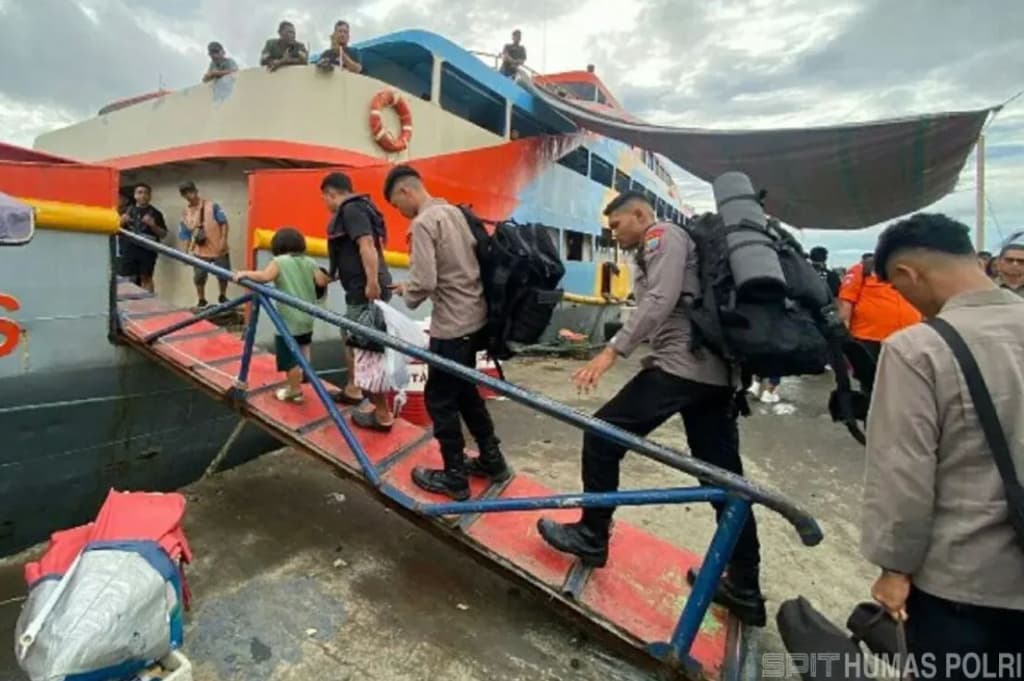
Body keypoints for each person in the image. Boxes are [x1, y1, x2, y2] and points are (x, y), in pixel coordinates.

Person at [533, 191, 764, 626]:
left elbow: (658, 301)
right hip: (712, 374)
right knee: (722, 478)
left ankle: (592, 534)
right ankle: (745, 586)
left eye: (618, 225)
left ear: (640, 215)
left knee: (603, 434)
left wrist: (611, 353)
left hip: (682, 367)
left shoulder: (662, 236)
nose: (614, 234)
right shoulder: (669, 243)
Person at [860, 213, 1024, 677]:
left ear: (907, 274)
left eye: (898, 288)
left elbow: (903, 473)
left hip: (963, 583)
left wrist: (894, 567)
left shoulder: (918, 349)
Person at [383, 164, 511, 500]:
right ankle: (493, 461)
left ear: (405, 191)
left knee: (439, 400)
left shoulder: (424, 222)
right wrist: (407, 286)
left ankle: (454, 477)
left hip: (452, 325)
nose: (400, 212)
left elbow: (425, 282)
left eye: (397, 205)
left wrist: (408, 296)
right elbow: (458, 268)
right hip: (476, 319)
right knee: (466, 392)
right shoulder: (455, 213)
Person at [320, 172, 394, 431]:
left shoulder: (351, 210)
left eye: (324, 199)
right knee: (349, 334)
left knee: (367, 348)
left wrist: (371, 282)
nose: (325, 204)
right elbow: (353, 252)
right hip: (360, 288)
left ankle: (383, 415)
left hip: (367, 290)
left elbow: (366, 245)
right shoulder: (358, 209)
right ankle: (353, 389)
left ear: (331, 193)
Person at [232, 228, 330, 403]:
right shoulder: (310, 261)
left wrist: (244, 273)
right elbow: (322, 281)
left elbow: (264, 277)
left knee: (289, 357)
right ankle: (305, 374)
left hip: (289, 320)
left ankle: (295, 390)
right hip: (307, 318)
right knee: (303, 348)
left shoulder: (279, 261)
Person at [838, 251, 922, 393]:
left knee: (907, 382)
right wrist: (844, 337)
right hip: (869, 338)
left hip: (908, 337)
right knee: (871, 383)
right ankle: (873, 412)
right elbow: (846, 301)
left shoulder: (913, 271)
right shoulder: (863, 269)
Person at [177, 181, 231, 309]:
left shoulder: (212, 206)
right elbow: (185, 234)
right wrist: (185, 253)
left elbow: (223, 223)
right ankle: (201, 299)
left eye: (191, 191)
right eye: (186, 193)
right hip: (199, 250)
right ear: (183, 196)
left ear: (196, 191)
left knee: (223, 274)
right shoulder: (185, 212)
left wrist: (223, 239)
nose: (190, 195)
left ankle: (223, 295)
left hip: (218, 247)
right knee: (199, 276)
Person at [118, 183, 167, 293]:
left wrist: (153, 225)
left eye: (146, 193)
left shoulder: (156, 213)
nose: (143, 196)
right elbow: (114, 230)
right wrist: (121, 222)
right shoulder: (125, 211)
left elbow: (163, 234)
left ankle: (150, 305)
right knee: (128, 279)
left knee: (146, 278)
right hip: (129, 249)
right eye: (140, 193)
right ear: (135, 195)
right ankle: (129, 306)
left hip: (147, 250)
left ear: (150, 196)